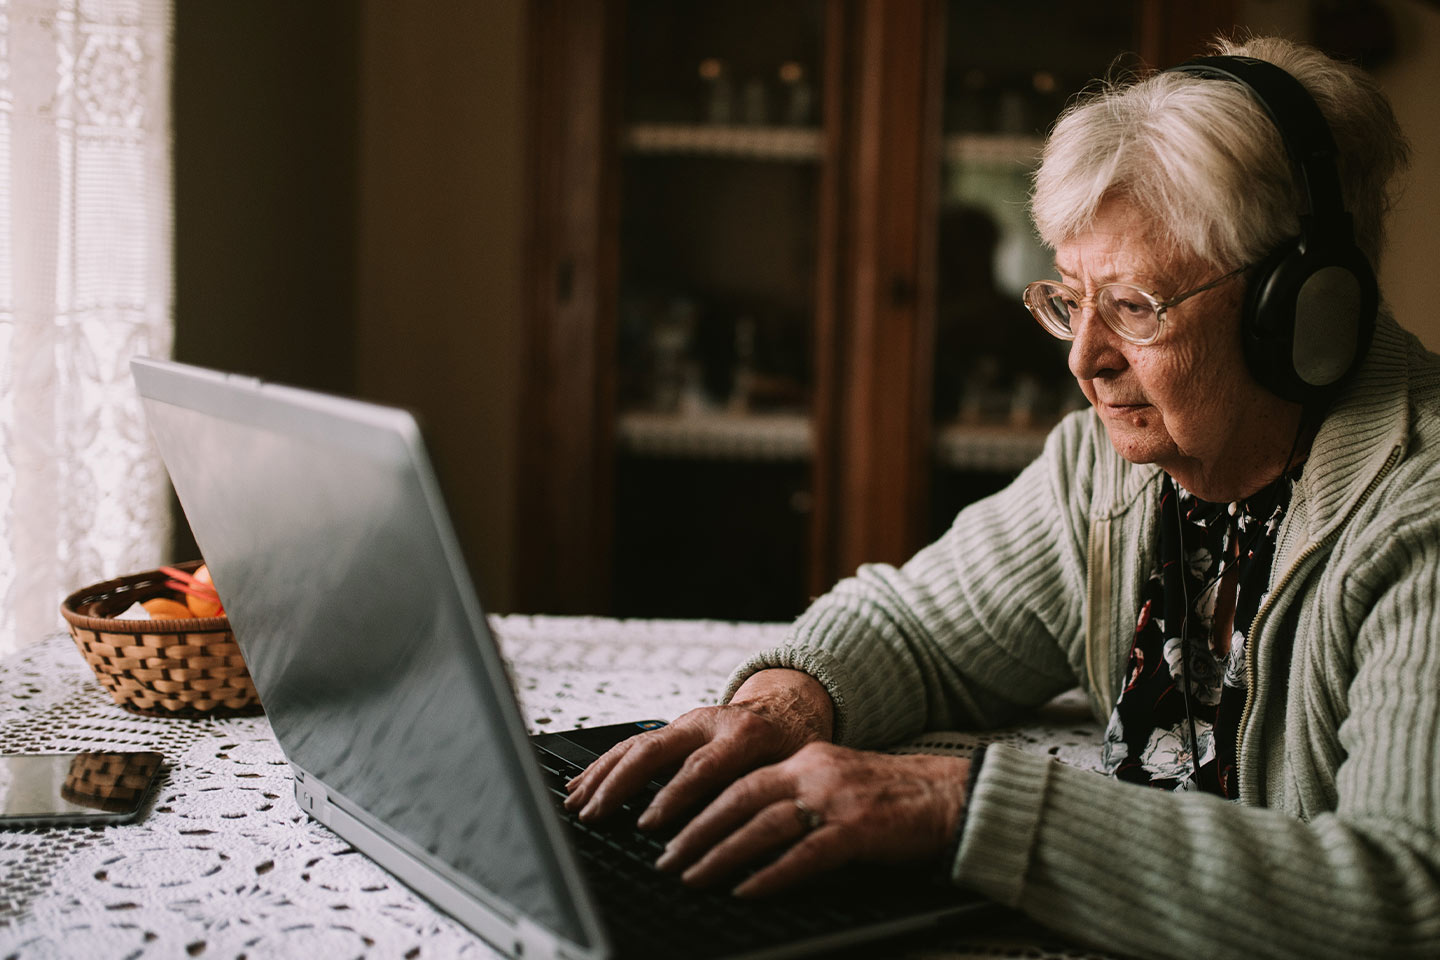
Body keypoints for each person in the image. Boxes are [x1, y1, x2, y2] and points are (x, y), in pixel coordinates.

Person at [566, 34, 1439, 960]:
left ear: (1302, 311)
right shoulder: (1107, 472)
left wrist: (961, 806)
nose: (1082, 359)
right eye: (1070, 299)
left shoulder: (1419, 516)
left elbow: (1406, 895)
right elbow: (910, 627)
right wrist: (782, 710)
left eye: (1136, 306)